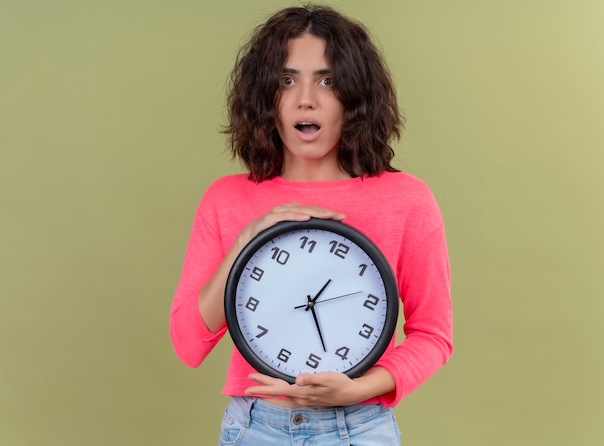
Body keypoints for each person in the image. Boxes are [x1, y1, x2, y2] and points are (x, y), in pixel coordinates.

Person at [170, 5, 452, 445]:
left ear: (354, 95)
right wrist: (246, 240)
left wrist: (359, 388)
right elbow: (188, 346)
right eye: (287, 80)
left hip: (359, 427)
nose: (306, 98)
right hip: (254, 429)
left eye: (327, 79)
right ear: (266, 96)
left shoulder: (407, 200)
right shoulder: (226, 199)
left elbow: (434, 335)